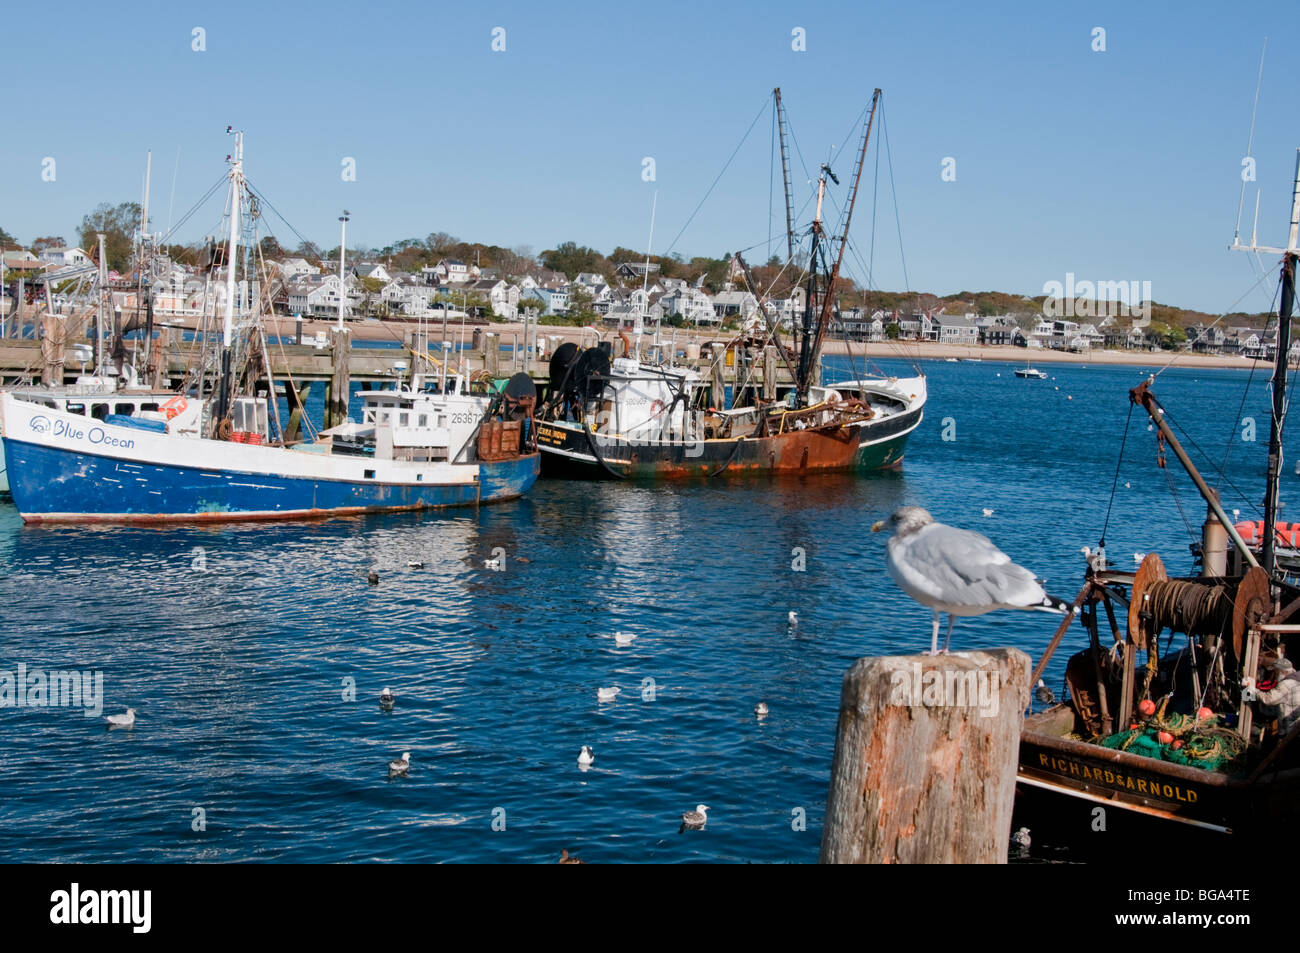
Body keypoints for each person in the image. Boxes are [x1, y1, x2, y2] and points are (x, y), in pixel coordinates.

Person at [1244, 657, 1300, 737]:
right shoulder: (1296, 681)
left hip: (1291, 731)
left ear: (1283, 672)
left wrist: (1251, 690)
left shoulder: (1286, 684)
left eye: (1276, 672)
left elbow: (1268, 699)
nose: (1275, 675)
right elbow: (1284, 706)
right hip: (1294, 728)